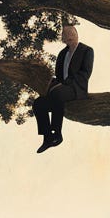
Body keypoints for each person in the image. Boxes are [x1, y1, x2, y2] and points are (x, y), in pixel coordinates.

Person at [32, 24, 94, 152]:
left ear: (76, 34)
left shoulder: (87, 50)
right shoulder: (62, 54)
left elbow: (85, 73)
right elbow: (58, 75)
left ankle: (57, 133)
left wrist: (65, 83)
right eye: (65, 36)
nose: (68, 37)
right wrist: (51, 83)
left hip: (76, 88)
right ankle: (47, 137)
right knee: (38, 103)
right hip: (60, 88)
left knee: (58, 94)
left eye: (70, 34)